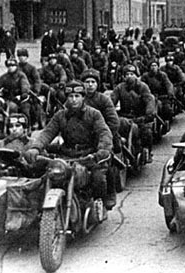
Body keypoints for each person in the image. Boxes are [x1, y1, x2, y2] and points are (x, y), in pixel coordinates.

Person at [25, 81, 113, 216]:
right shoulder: (60, 115)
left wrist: (102, 150)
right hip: (67, 155)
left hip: (89, 155)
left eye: (77, 96)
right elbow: (47, 133)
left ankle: (99, 203)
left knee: (98, 178)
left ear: (83, 97)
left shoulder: (94, 114)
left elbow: (104, 133)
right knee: (44, 174)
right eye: (70, 96)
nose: (73, 100)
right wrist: (35, 148)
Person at [81, 68, 120, 209]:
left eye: (93, 82)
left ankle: (110, 192)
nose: (90, 85)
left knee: (107, 163)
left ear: (97, 84)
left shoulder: (103, 99)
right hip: (81, 142)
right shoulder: (78, 100)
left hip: (102, 138)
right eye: (87, 82)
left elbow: (113, 122)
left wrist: (104, 138)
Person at [111, 64, 155, 163]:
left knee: (146, 132)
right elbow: (111, 101)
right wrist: (109, 112)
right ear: (123, 77)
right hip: (124, 117)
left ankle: (147, 151)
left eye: (132, 74)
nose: (129, 76)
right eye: (127, 74)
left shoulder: (143, 87)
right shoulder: (120, 88)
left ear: (136, 75)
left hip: (140, 117)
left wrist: (149, 113)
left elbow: (149, 100)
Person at [0, 57, 31, 125]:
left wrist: (23, 94)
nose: (10, 67)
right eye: (9, 66)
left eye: (12, 66)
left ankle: (27, 126)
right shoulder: (4, 77)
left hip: (19, 98)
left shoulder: (21, 76)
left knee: (25, 110)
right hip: (7, 98)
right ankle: (0, 125)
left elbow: (25, 86)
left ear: (16, 66)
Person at [141, 59, 174, 124]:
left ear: (158, 66)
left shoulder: (162, 75)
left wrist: (170, 92)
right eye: (152, 66)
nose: (153, 67)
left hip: (162, 96)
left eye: (155, 65)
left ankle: (165, 121)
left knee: (167, 109)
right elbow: (141, 86)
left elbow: (168, 84)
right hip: (150, 97)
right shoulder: (145, 76)